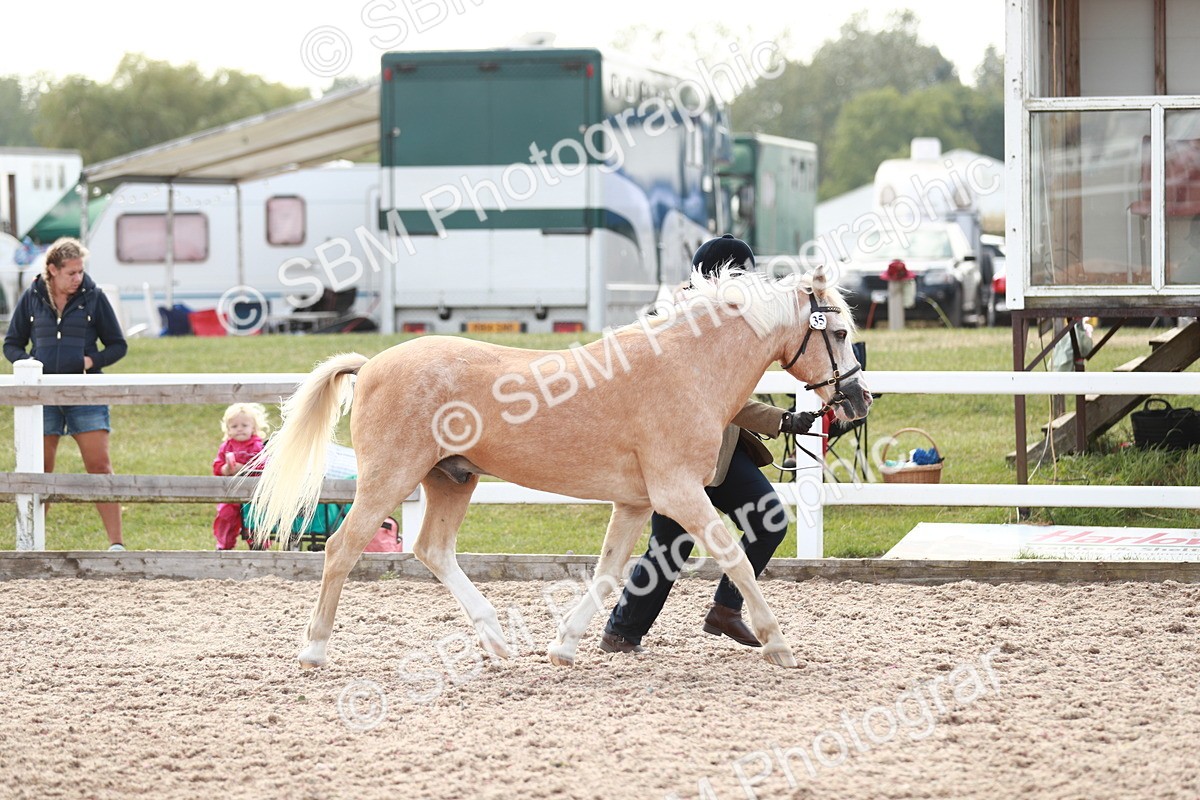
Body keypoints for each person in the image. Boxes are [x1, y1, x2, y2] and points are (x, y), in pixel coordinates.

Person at [599, 234, 814, 654]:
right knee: (670, 546)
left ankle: (725, 609)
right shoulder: (678, 320)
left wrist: (784, 420)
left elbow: (727, 397)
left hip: (722, 451)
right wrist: (778, 419)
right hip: (675, 455)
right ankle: (622, 631)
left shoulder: (734, 321)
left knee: (768, 518)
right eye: (743, 275)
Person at [3, 237, 128, 550]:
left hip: (86, 394)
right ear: (52, 270)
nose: (78, 278)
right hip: (42, 398)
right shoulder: (31, 297)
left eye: (80, 271)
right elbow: (12, 344)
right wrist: (28, 365)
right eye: (71, 272)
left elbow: (117, 345)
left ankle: (116, 544)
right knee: (40, 471)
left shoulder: (95, 297)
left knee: (99, 467)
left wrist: (89, 361)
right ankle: (31, 545)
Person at [212, 402, 270, 550]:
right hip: (230, 492)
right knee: (226, 516)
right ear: (228, 430)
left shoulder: (257, 446)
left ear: (254, 428)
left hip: (252, 493)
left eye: (244, 425)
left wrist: (243, 469)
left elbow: (263, 466)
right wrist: (225, 469)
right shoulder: (226, 446)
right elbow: (217, 467)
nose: (239, 429)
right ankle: (224, 545)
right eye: (234, 426)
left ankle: (258, 545)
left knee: (254, 519)